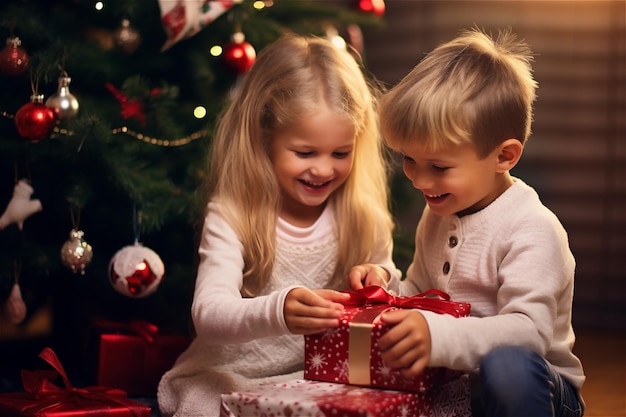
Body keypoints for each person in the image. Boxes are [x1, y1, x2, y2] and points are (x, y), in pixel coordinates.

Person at [157, 33, 401, 416]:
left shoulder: (362, 214)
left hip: (320, 377)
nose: (323, 169)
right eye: (304, 152)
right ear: (263, 138)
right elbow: (208, 314)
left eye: (341, 153)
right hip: (228, 372)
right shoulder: (232, 213)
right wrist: (278, 312)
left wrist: (380, 277)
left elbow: (387, 275)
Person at [375, 28, 585, 417]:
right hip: (459, 389)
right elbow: (422, 289)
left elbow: (529, 334)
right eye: (409, 160)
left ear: (504, 156)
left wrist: (438, 336)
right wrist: (384, 285)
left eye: (439, 167)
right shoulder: (439, 213)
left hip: (538, 392)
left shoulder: (531, 228)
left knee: (507, 365)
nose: (420, 181)